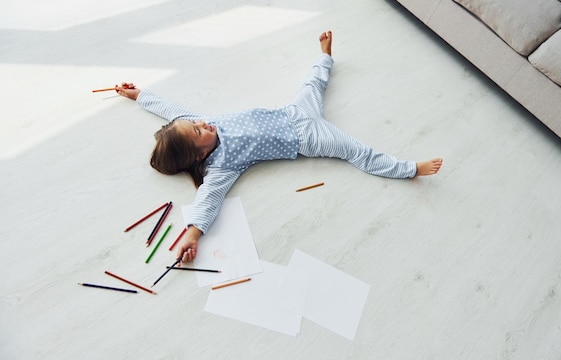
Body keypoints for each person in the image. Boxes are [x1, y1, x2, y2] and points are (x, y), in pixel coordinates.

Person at [115, 31, 442, 263]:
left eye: (197, 123)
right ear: (199, 154)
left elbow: (170, 109)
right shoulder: (221, 166)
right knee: (357, 152)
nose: (203, 124)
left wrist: (137, 94)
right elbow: (208, 201)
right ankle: (409, 169)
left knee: (313, 83)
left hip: (292, 111)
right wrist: (192, 235)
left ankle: (325, 56)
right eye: (199, 131)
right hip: (307, 138)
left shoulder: (199, 122)